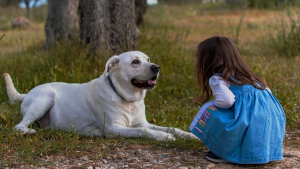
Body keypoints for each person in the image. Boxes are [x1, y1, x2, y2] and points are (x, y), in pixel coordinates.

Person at [189, 36, 286, 164]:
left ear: (208, 61)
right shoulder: (251, 77)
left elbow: (226, 101)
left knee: (209, 110)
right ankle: (264, 151)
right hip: (273, 123)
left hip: (250, 123)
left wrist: (215, 104)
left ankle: (224, 151)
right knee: (250, 117)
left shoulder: (218, 78)